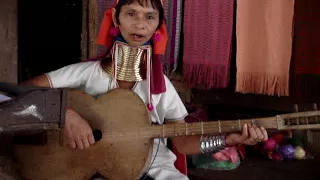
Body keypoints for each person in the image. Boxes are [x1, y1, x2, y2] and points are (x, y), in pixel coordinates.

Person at [21, 0, 268, 179]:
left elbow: (182, 144)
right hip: (87, 166)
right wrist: (64, 114)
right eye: (131, 14)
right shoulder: (88, 73)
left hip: (153, 168)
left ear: (157, 26)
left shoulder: (161, 87)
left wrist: (229, 139)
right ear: (116, 19)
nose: (140, 24)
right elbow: (18, 91)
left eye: (149, 17)